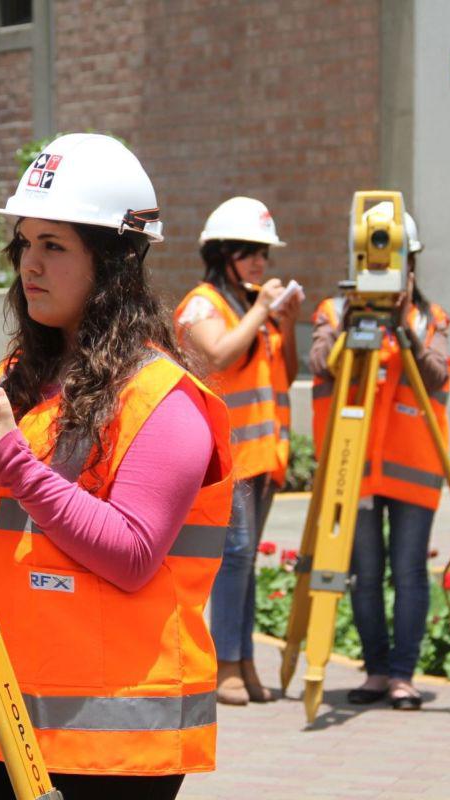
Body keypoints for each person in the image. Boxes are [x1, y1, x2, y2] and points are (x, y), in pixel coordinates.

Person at [0, 133, 234, 800]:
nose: (29, 264)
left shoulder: (164, 399)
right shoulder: (17, 380)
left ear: (113, 260)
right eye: (23, 243)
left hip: (106, 748)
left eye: (54, 245)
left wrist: (8, 463)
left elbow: (132, 554)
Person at [308, 203, 450, 711]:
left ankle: (403, 676)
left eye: (398, 259)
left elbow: (436, 374)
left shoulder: (428, 318)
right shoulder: (334, 312)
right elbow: (319, 362)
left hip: (413, 468)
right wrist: (353, 322)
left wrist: (403, 330)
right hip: (355, 469)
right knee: (364, 575)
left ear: (412, 263)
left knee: (409, 573)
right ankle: (375, 672)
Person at [173, 197, 301, 706]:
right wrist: (263, 311)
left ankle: (243, 661)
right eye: (248, 251)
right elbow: (219, 354)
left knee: (245, 561)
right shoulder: (202, 304)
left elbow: (286, 372)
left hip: (262, 455)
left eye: (263, 253)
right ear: (221, 253)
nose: (259, 262)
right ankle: (224, 663)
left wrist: (283, 321)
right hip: (226, 457)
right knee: (235, 556)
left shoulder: (251, 309)